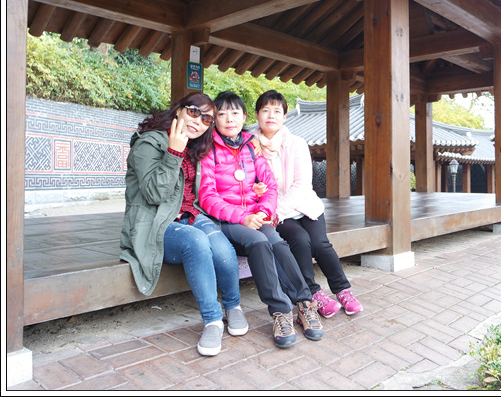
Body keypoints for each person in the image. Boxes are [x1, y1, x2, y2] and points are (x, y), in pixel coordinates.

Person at [119, 91, 248, 357]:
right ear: (179, 110)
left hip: (190, 215)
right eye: (193, 112)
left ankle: (233, 306)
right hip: (154, 222)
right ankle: (213, 320)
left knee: (220, 244)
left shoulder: (196, 147)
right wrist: (174, 152)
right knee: (196, 240)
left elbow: (232, 153)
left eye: (206, 119)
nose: (198, 121)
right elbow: (154, 195)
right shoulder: (149, 143)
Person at [199, 90, 323, 348]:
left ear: (245, 116)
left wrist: (264, 212)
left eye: (235, 113)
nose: (229, 119)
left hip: (256, 217)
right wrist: (243, 217)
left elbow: (270, 185)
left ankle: (304, 303)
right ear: (214, 119)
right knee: (259, 241)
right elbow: (207, 196)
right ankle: (280, 311)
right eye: (222, 114)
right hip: (229, 222)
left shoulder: (251, 146)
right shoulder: (208, 149)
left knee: (277, 242)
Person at [252, 90, 363, 318]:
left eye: (277, 111)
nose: (271, 116)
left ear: (284, 116)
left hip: (303, 205)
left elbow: (302, 184)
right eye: (265, 110)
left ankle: (342, 290)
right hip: (276, 213)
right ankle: (313, 293)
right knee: (300, 240)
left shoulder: (296, 143)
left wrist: (276, 210)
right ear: (256, 115)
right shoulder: (250, 147)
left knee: (320, 244)